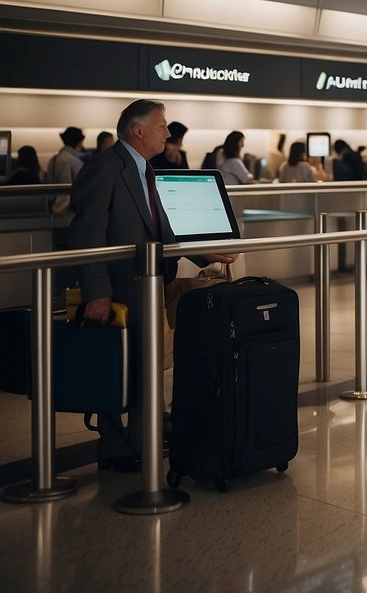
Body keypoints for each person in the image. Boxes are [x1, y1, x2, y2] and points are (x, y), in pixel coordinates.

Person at [70, 99, 234, 471]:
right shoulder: (105, 168)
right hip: (120, 286)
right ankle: (114, 445)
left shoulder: (146, 169)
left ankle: (140, 443)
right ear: (138, 130)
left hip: (151, 282)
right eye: (162, 126)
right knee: (114, 368)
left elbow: (161, 228)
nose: (168, 132)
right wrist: (97, 292)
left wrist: (204, 256)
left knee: (145, 367)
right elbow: (86, 234)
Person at [47, 126, 86, 216]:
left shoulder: (53, 159)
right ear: (79, 142)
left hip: (53, 205)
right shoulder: (74, 161)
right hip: (68, 208)